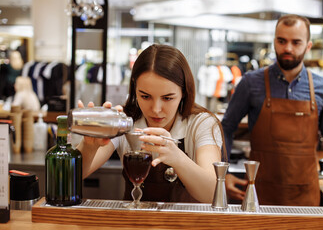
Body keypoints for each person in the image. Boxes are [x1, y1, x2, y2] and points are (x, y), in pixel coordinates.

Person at [222, 14, 323, 206]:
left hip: (305, 196)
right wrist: (223, 174)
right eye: (281, 41)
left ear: (308, 46)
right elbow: (225, 128)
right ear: (274, 42)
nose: (287, 48)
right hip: (258, 195)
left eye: (296, 42)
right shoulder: (250, 83)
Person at [77, 44, 224, 203]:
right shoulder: (124, 121)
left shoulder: (202, 124)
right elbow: (71, 178)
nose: (156, 109)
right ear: (134, 89)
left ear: (183, 92)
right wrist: (89, 146)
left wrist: (178, 158)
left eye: (167, 98)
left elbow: (213, 194)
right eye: (145, 96)